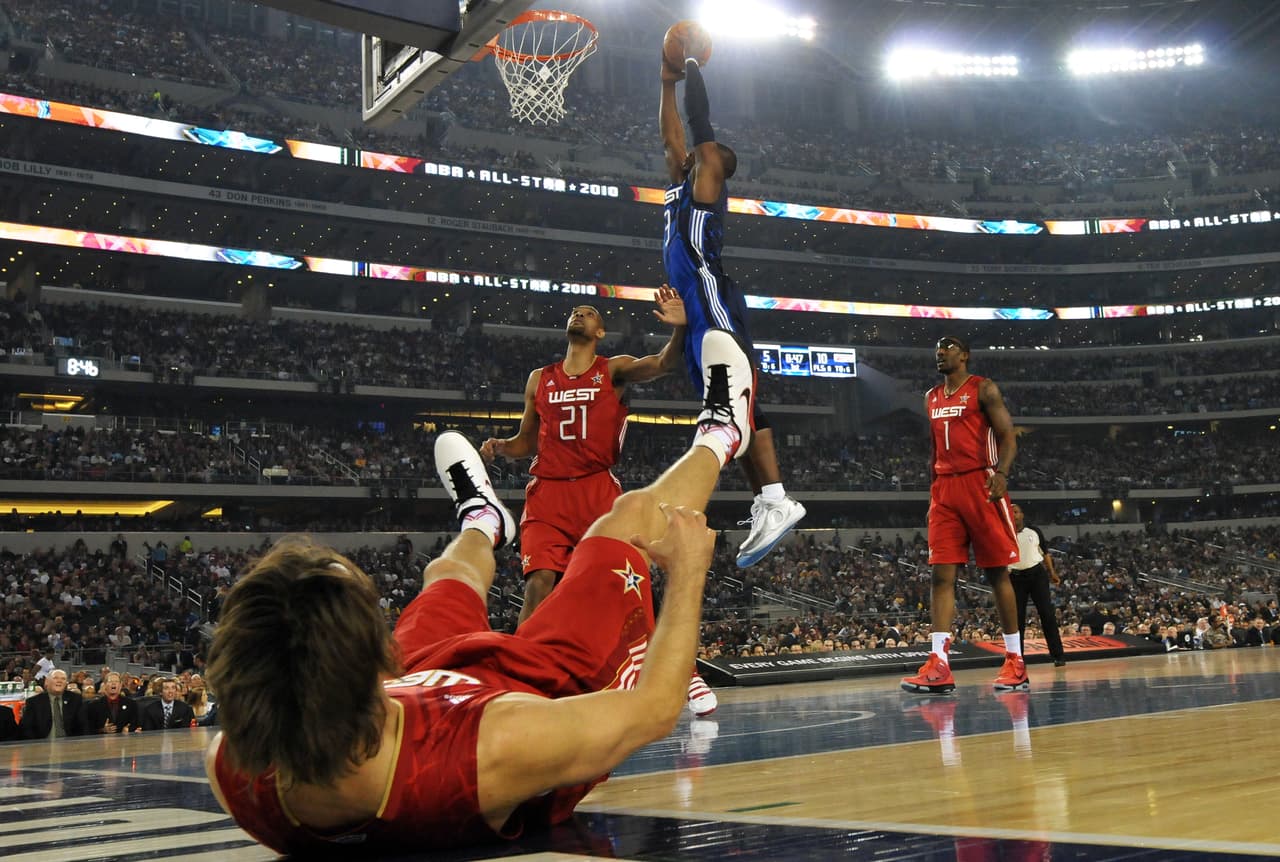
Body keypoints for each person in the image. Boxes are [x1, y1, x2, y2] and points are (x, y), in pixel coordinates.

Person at [204, 329, 755, 855]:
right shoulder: (493, 749)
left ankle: (484, 518)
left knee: (445, 578)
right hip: (533, 687)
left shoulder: (238, 765)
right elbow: (654, 711)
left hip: (417, 697)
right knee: (627, 519)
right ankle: (726, 428)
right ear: (377, 666)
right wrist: (687, 575)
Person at [479, 297, 717, 716]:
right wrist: (502, 447)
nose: (579, 314)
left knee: (633, 578)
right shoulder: (540, 379)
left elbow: (663, 363)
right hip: (548, 493)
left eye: (589, 313)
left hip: (597, 491)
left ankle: (684, 673)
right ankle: (515, 684)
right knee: (539, 585)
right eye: (575, 312)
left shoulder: (613, 369)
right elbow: (526, 442)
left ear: (600, 333)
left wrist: (680, 327)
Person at [659, 52, 804, 567]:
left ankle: (774, 499)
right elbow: (673, 138)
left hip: (711, 297)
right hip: (695, 309)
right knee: (739, 406)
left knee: (732, 405)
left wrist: (692, 68)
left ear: (717, 164)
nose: (698, 153)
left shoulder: (707, 183)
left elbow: (697, 132)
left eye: (707, 153)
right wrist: (665, 82)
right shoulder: (682, 182)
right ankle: (772, 500)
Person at [902, 335, 1026, 694]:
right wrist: (933, 488)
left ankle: (1015, 660)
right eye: (937, 348)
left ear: (965, 355)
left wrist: (1001, 474)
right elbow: (934, 447)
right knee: (940, 575)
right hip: (944, 489)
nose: (940, 352)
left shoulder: (983, 389)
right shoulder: (931, 397)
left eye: (948, 348)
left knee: (996, 573)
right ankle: (939, 662)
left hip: (981, 482)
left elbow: (1008, 436)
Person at [1008, 504, 1066, 667]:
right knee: (1017, 618)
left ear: (1022, 514)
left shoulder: (1034, 531)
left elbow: (1045, 553)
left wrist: (1052, 572)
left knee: (1047, 614)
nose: (1014, 515)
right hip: (1015, 577)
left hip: (1037, 575)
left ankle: (1058, 655)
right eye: (1011, 512)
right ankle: (1018, 658)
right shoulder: (1004, 532)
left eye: (1016, 511)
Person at [18, 669, 87, 739]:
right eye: (55, 678)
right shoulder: (34, 702)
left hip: (70, 745)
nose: (59, 681)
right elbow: (26, 729)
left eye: (63, 679)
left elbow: (83, 726)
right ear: (47, 682)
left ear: (66, 683)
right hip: (42, 745)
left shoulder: (75, 699)